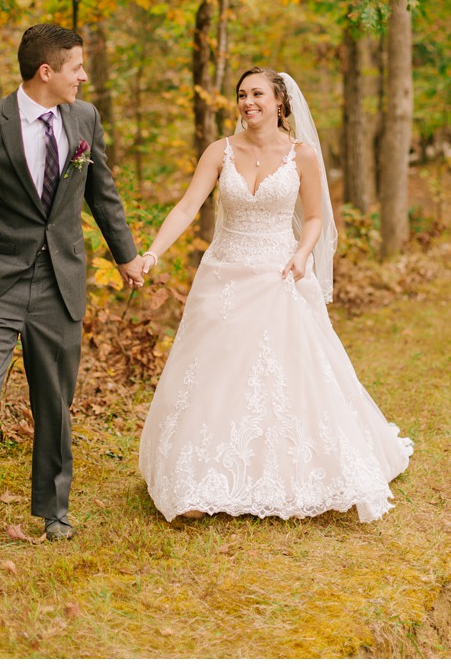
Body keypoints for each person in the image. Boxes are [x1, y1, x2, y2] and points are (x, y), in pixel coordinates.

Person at [136, 67, 411, 522]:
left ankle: (283, 469)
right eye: (242, 95)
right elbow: (187, 206)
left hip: (280, 272)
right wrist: (152, 252)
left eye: (258, 94)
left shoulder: (302, 155)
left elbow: (315, 219)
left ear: (280, 101)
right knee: (214, 377)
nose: (248, 102)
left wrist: (304, 254)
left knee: (283, 377)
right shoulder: (219, 151)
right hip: (223, 275)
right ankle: (198, 483)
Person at [0, 24, 145, 576]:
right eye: (76, 66)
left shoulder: (84, 119)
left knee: (54, 397)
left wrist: (125, 256)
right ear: (46, 71)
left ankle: (53, 510)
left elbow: (103, 192)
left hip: (60, 281)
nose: (84, 75)